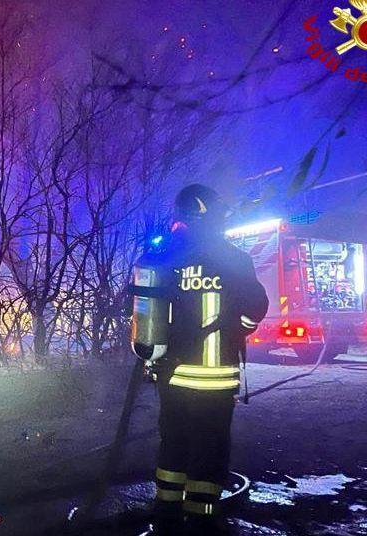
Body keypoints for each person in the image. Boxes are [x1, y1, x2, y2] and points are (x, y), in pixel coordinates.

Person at [132, 184, 268, 533]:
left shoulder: (163, 258)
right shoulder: (235, 259)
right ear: (214, 216)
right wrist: (236, 330)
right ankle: (202, 519)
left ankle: (166, 516)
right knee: (210, 445)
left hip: (172, 374)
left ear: (182, 217)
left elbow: (143, 312)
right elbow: (256, 308)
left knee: (174, 441)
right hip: (218, 377)